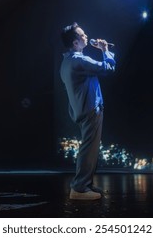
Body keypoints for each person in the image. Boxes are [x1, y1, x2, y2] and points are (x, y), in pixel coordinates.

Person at [60, 22, 116, 200]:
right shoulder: (79, 60)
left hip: (82, 110)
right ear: (75, 43)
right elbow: (108, 68)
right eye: (82, 35)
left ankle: (86, 184)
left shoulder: (67, 62)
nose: (86, 36)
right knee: (88, 148)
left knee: (90, 148)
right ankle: (79, 188)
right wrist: (105, 49)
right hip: (90, 109)